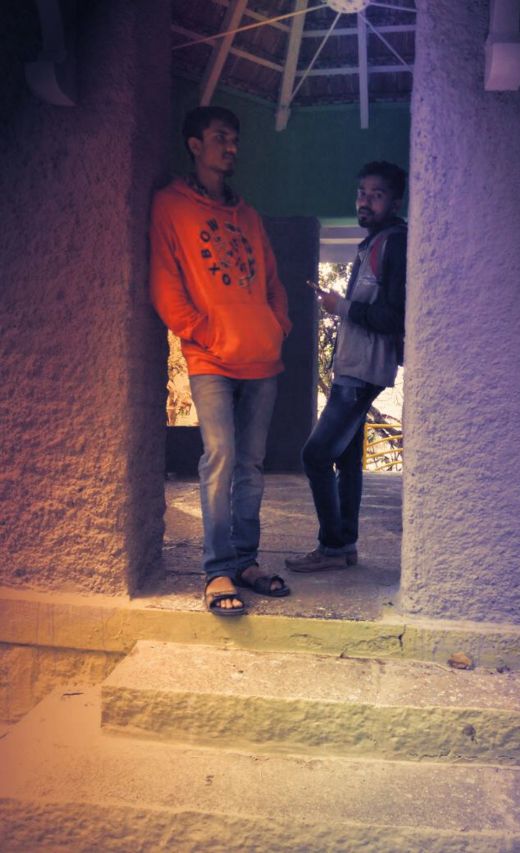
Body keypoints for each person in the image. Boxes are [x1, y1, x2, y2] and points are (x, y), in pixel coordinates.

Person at [150, 106, 292, 616]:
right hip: (210, 357)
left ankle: (246, 562)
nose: (231, 147)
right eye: (220, 138)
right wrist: (204, 332)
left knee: (251, 464)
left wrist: (277, 326)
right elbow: (165, 284)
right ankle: (217, 570)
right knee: (220, 458)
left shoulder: (248, 215)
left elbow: (272, 280)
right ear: (194, 145)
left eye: (234, 139)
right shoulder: (170, 205)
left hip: (262, 358)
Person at [286, 161, 407, 572]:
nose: (365, 201)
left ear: (395, 202)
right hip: (355, 368)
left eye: (377, 195)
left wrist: (341, 307)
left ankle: (332, 546)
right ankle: (345, 546)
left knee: (315, 456)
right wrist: (341, 306)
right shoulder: (373, 243)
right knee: (347, 460)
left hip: (362, 371)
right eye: (362, 193)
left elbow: (393, 316)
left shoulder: (393, 244)